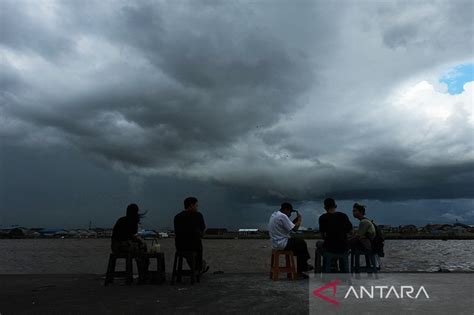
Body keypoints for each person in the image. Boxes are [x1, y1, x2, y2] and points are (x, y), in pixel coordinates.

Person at [268, 202, 312, 278]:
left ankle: (303, 265)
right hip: (282, 243)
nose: (290, 214)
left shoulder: (275, 215)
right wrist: (300, 220)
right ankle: (301, 269)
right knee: (301, 243)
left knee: (299, 245)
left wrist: (295, 220)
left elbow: (288, 225)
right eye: (290, 212)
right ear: (286, 210)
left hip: (275, 244)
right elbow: (294, 229)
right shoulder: (282, 216)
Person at [111, 203, 149, 281]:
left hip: (115, 247)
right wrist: (140, 241)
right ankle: (143, 274)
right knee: (142, 249)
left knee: (139, 249)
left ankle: (142, 274)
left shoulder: (121, 220)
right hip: (123, 245)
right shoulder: (133, 221)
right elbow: (132, 235)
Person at [174, 197, 209, 274]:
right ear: (191, 205)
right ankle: (198, 267)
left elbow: (177, 232)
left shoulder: (177, 217)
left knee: (189, 250)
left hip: (180, 247)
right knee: (196, 246)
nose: (197, 207)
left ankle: (196, 267)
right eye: (196, 205)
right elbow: (202, 229)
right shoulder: (198, 215)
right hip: (194, 246)